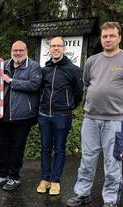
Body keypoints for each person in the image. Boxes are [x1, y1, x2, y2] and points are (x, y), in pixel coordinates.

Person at [67, 22, 123, 207]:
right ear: (101, 38)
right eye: (104, 36)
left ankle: (110, 200)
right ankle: (82, 193)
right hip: (90, 119)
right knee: (87, 159)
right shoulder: (92, 61)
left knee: (112, 162)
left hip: (115, 121)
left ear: (119, 37)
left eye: (111, 36)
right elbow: (86, 83)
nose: (108, 39)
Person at [0, 40, 42, 191]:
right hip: (1, 115)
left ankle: (14, 177)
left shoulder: (33, 66)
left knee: (16, 148)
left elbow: (34, 85)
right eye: (15, 50)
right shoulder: (3, 65)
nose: (17, 53)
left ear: (26, 51)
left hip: (22, 116)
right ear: (11, 51)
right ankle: (2, 175)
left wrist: (11, 81)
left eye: (21, 50)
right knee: (2, 146)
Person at [36, 36, 83, 195]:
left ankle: (56, 180)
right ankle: (45, 179)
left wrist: (68, 107)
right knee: (45, 148)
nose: (56, 48)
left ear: (63, 48)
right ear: (50, 49)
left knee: (60, 149)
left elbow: (78, 94)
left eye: (59, 46)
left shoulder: (73, 70)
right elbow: (40, 90)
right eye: (53, 46)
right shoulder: (45, 69)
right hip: (44, 115)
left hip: (62, 116)